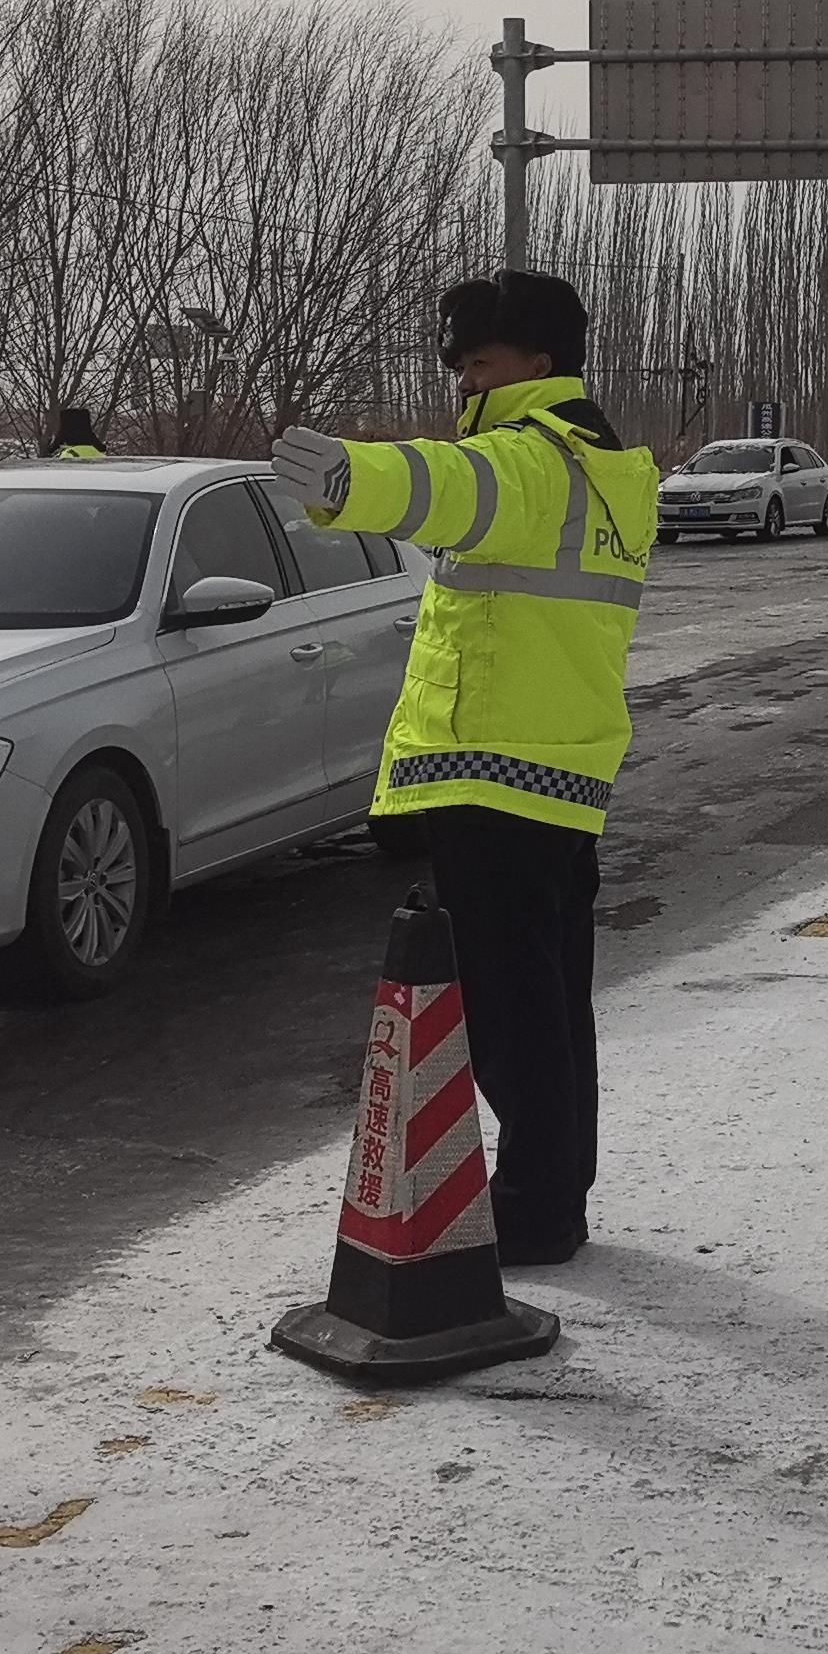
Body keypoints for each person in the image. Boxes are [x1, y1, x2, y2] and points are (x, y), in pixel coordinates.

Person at [266, 272, 657, 1266]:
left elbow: (443, 485)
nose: (464, 382)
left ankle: (531, 1214)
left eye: (478, 363)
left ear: (537, 363)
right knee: (552, 1011)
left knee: (511, 1020)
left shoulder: (530, 461)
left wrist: (349, 479)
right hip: (559, 771)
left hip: (492, 774)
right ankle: (550, 1197)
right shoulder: (607, 469)